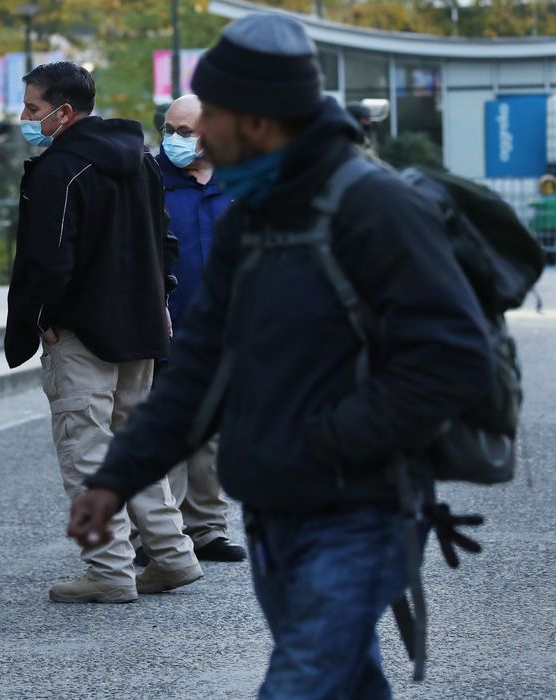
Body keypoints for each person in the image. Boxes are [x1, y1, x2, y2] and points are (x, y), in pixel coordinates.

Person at [68, 14, 491, 696]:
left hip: (362, 510)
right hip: (273, 511)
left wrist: (327, 442)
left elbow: (453, 359)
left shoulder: (376, 207)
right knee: (345, 680)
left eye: (210, 118)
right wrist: (116, 478)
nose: (195, 135)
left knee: (299, 683)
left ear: (257, 123)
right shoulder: (252, 218)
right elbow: (200, 365)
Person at [5, 61, 199, 604]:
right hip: (139, 324)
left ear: (63, 112)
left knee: (87, 452)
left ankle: (110, 570)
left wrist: (39, 317)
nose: (25, 117)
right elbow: (164, 237)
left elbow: (49, 258)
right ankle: (173, 556)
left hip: (82, 330)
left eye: (33, 108)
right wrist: (161, 297)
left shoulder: (59, 170)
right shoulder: (138, 158)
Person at [153, 94, 245, 564]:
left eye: (184, 132)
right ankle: (159, 536)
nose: (172, 139)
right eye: (168, 129)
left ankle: (206, 528)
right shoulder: (152, 180)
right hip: (165, 325)